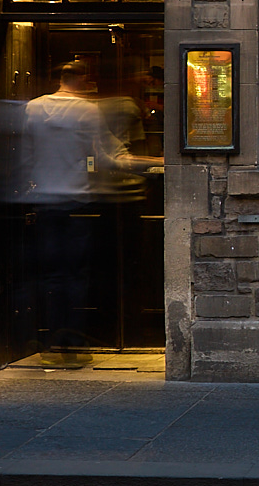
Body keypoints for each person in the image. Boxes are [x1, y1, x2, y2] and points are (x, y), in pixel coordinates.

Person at [20, 60, 161, 355]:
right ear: (82, 79)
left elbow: (25, 159)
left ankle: (47, 338)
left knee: (49, 274)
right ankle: (72, 340)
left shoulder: (32, 108)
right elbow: (109, 160)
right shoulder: (87, 110)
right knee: (75, 276)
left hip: (44, 202)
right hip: (76, 205)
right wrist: (157, 164)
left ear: (60, 77)